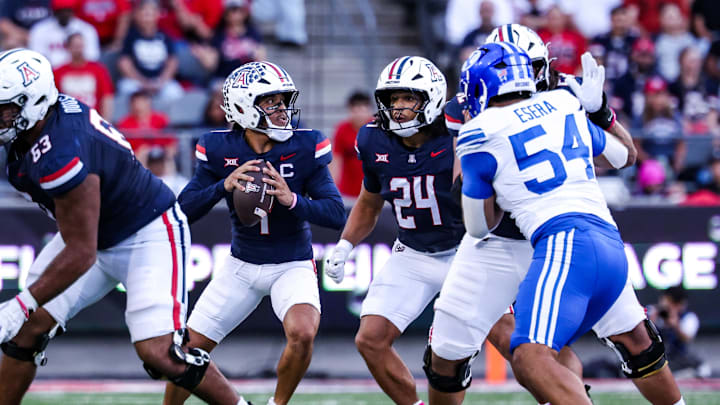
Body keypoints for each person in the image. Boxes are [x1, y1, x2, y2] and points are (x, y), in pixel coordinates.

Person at [431, 24, 686, 405]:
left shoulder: (561, 95)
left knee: (633, 338)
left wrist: (601, 112)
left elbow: (624, 154)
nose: (534, 76)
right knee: (450, 347)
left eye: (536, 66)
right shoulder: (550, 103)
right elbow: (465, 195)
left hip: (559, 236)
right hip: (504, 242)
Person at [0, 48, 250, 405]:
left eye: (5, 108)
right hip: (94, 232)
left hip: (146, 232)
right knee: (27, 329)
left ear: (33, 103)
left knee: (160, 353)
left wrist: (22, 303)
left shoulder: (61, 150)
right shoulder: (42, 126)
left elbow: (81, 252)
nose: (1, 116)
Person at [163, 61, 345, 405]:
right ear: (244, 108)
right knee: (186, 351)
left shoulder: (305, 145)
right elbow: (182, 210)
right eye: (271, 102)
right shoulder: (219, 148)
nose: (282, 110)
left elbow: (336, 213)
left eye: (283, 100)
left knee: (303, 333)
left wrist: (293, 200)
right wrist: (222, 185)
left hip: (292, 262)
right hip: (241, 265)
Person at [324, 56, 461, 405]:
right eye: (392, 99)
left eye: (408, 99)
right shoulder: (373, 139)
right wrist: (344, 245)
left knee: (510, 338)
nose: (398, 108)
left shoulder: (458, 132)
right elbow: (369, 203)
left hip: (467, 252)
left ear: (431, 98)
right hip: (412, 252)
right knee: (369, 338)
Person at [648, 287, 710, 377]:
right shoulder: (653, 313)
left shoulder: (688, 317)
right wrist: (650, 323)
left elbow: (686, 338)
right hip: (654, 357)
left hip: (676, 357)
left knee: (700, 367)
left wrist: (675, 325)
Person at [53, 33, 115, 119]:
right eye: (75, 46)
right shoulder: (58, 72)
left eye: (80, 46)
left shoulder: (98, 70)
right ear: (68, 47)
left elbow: (106, 97)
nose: (79, 50)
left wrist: (105, 120)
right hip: (68, 119)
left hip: (92, 118)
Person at [329, 91, 373, 199]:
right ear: (350, 110)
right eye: (356, 110)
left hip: (373, 191)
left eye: (363, 109)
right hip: (347, 192)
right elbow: (336, 160)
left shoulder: (377, 129)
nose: (359, 114)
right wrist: (331, 187)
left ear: (369, 110)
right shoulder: (342, 130)